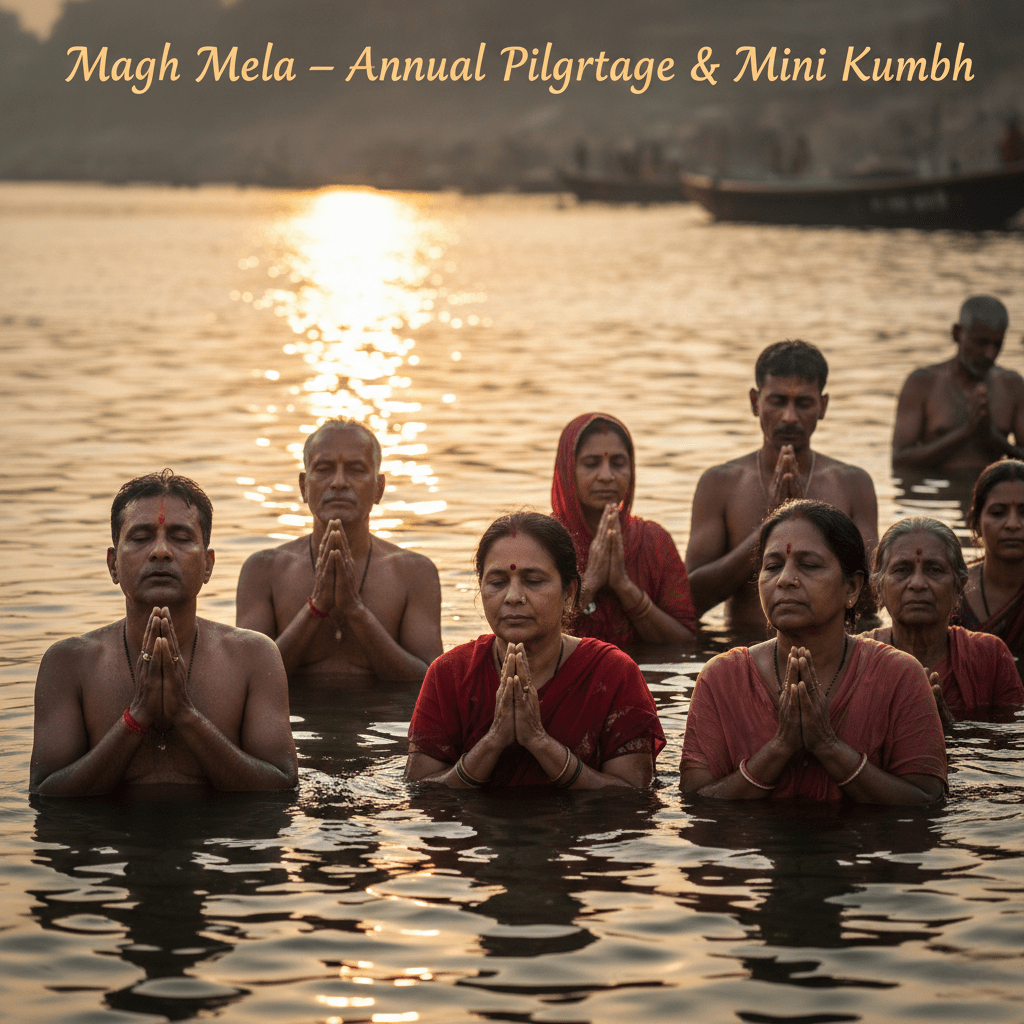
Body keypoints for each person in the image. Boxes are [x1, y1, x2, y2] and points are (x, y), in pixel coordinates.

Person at [30, 471, 298, 796]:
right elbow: (45, 794)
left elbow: (282, 787)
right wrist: (137, 717)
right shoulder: (68, 663)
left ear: (208, 565)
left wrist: (185, 715)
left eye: (181, 537)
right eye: (141, 537)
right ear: (113, 564)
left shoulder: (254, 656)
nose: (161, 551)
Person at [680, 500, 946, 803]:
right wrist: (780, 747)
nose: (785, 580)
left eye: (809, 565)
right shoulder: (721, 678)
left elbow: (927, 801)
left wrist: (827, 745)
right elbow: (695, 801)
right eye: (773, 566)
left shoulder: (900, 676)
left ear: (852, 588)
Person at [405, 512, 664, 789]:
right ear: (481, 589)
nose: (514, 597)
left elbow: (634, 794)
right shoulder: (449, 675)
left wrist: (538, 741)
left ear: (568, 593)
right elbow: (419, 790)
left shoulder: (613, 674)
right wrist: (494, 740)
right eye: (497, 582)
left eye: (533, 580)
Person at [686, 341, 878, 635]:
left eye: (803, 403)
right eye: (777, 401)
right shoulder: (720, 483)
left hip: (832, 652)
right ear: (755, 402)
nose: (789, 417)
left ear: (822, 406)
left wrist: (807, 522)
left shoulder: (853, 483)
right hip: (743, 647)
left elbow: (870, 600)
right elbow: (691, 601)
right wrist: (770, 525)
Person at [236, 418, 443, 683]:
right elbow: (245, 678)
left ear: (379, 489)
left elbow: (431, 685)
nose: (339, 482)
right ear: (304, 486)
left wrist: (355, 610)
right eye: (323, 469)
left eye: (356, 470)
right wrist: (316, 608)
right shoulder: (263, 570)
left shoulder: (414, 573)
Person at [550, 412, 697, 646]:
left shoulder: (654, 541)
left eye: (618, 464)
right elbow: (527, 639)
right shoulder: (544, 543)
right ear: (567, 470)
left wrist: (625, 587)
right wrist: (587, 586)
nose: (607, 476)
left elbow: (686, 642)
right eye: (591, 464)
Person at [865, 516, 1023, 721]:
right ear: (878, 586)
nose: (918, 583)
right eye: (902, 570)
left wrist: (948, 728)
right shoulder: (859, 657)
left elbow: (1012, 741)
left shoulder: (990, 656)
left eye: (934, 570)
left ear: (959, 586)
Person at [892, 296, 1024, 473]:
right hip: (935, 496)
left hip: (990, 496)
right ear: (957, 333)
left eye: (997, 344)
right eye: (981, 342)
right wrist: (965, 432)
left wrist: (993, 437)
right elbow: (899, 459)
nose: (989, 354)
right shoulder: (922, 383)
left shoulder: (1013, 386)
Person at [951, 459, 1024, 676]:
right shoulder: (951, 591)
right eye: (998, 512)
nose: (1013, 524)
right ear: (975, 522)